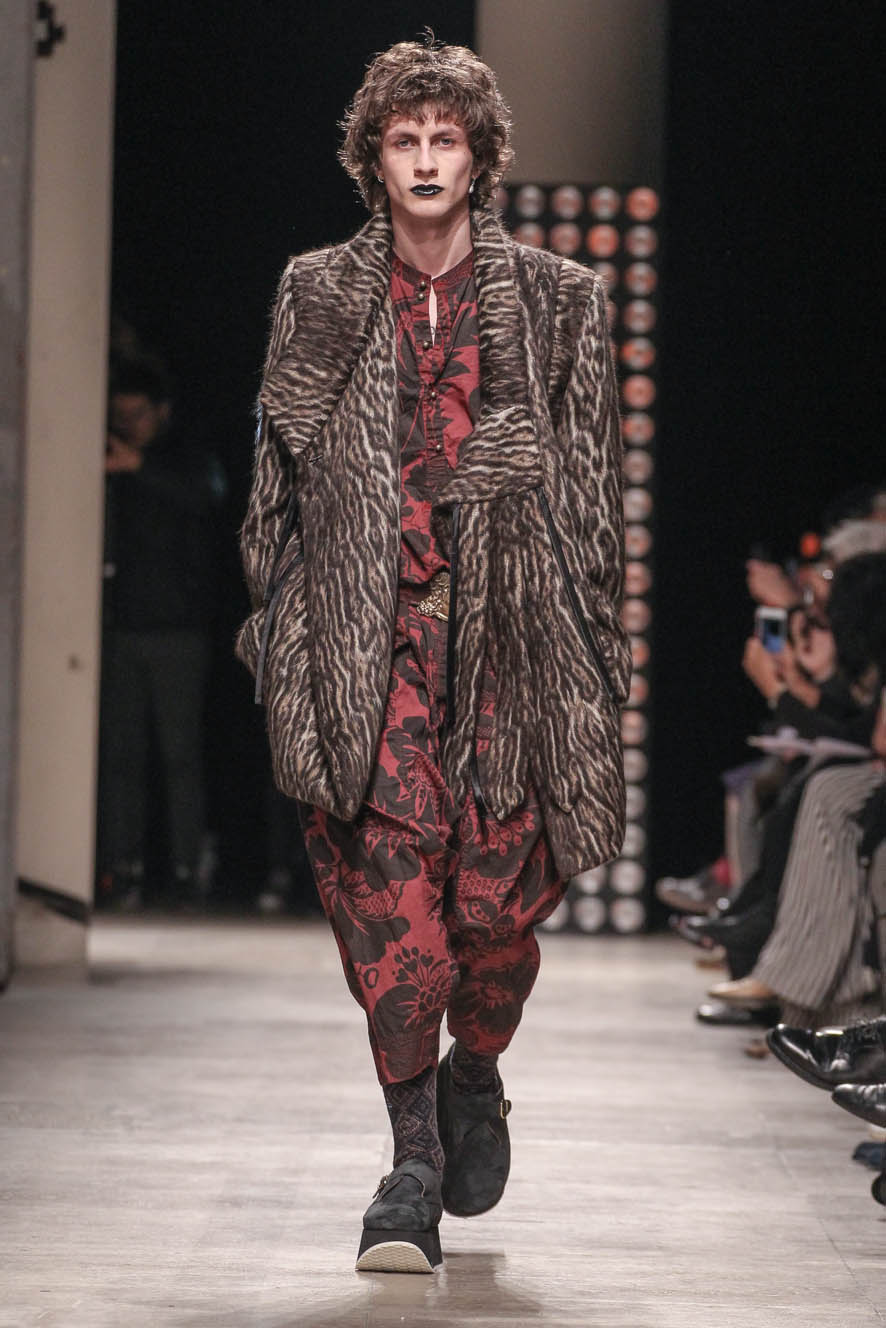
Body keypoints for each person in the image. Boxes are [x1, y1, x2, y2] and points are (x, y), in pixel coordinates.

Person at [237, 36, 628, 1274]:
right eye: (402, 139)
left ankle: (476, 1070)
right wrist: (279, 630)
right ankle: (409, 1166)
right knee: (392, 908)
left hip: (512, 649)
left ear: (477, 156)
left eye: (443, 139)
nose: (422, 159)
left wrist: (595, 660)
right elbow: (275, 486)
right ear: (373, 157)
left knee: (494, 915)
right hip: (370, 645)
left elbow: (592, 500)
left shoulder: (560, 301)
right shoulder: (317, 290)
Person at [98, 354, 226, 910]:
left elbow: (209, 495)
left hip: (178, 631)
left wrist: (139, 466)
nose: (128, 426)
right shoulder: (108, 462)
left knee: (180, 757)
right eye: (119, 416)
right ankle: (121, 867)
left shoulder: (185, 457)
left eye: (137, 415)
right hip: (121, 627)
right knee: (120, 756)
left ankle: (186, 867)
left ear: (162, 412)